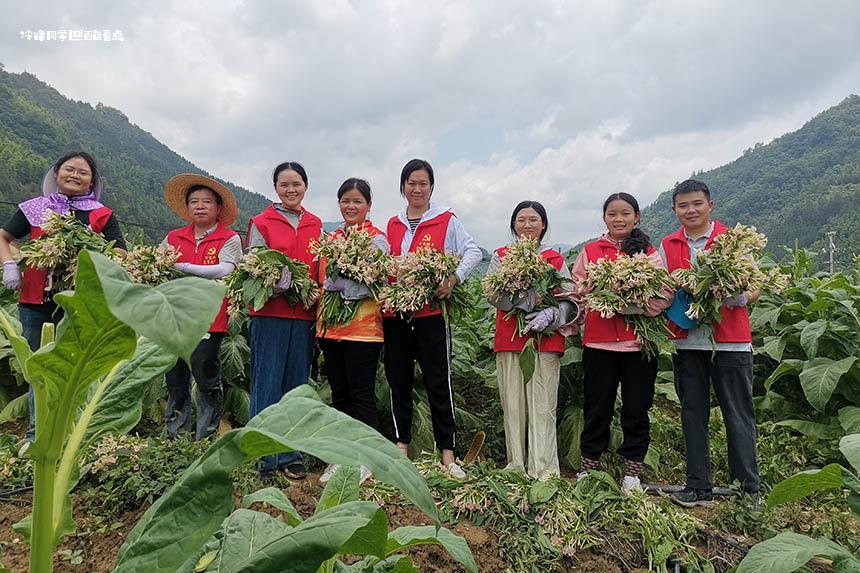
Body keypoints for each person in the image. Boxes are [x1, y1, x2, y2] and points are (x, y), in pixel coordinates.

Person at [0, 151, 127, 448]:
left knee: (72, 369)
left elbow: (120, 252)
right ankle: (36, 434)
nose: (74, 175)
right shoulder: (35, 208)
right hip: (34, 301)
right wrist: (9, 265)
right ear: (56, 174)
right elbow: (4, 237)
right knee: (38, 368)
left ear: (92, 182)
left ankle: (67, 435)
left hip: (78, 302)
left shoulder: (100, 214)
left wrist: (89, 249)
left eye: (83, 173)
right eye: (69, 169)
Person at [659, 179, 760, 507]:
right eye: (683, 205)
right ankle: (698, 486)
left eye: (696, 204)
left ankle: (748, 490)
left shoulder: (731, 241)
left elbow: (755, 284)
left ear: (710, 205)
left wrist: (736, 295)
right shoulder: (669, 244)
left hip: (730, 342)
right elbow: (661, 289)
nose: (690, 210)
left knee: (738, 414)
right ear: (675, 209)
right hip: (687, 342)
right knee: (692, 412)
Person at [384, 158, 482, 479]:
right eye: (411, 183)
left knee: (439, 381)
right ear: (402, 187)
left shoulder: (445, 220)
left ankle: (448, 454)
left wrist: (452, 278)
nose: (417, 188)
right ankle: (401, 448)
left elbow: (473, 252)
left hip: (430, 316)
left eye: (423, 183)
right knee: (398, 380)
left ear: (431, 187)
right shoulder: (393, 224)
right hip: (397, 314)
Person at [570, 192, 673, 493]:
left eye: (625, 213)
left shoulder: (649, 252)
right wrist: (598, 298)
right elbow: (579, 292)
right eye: (612, 213)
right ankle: (588, 467)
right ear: (604, 218)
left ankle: (632, 473)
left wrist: (639, 305)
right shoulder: (590, 251)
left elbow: (665, 292)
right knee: (596, 407)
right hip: (599, 344)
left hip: (638, 345)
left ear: (636, 217)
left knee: (637, 409)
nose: (619, 219)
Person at [487, 201, 577, 479]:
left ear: (544, 225)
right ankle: (515, 466)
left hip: (544, 340)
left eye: (533, 220)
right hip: (509, 338)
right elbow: (491, 294)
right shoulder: (501, 256)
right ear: (513, 225)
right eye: (521, 220)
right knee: (512, 405)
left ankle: (543, 469)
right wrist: (523, 299)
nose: (527, 225)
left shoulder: (554, 259)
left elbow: (569, 297)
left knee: (543, 405)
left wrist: (550, 311)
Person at [246, 162, 322, 478]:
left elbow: (320, 269)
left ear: (306, 186)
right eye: (284, 184)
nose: (290, 190)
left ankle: (290, 454)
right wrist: (287, 285)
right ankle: (263, 454)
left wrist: (315, 294)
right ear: (275, 188)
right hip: (270, 314)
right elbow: (253, 267)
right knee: (267, 382)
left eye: (296, 184)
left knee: (296, 385)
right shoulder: (261, 222)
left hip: (303, 316)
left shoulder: (316, 225)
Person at [317, 178, 389, 485]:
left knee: (361, 395)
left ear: (369, 206)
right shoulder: (331, 238)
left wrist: (348, 285)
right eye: (346, 201)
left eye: (357, 201)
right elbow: (322, 276)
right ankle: (340, 457)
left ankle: (365, 459)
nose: (351, 206)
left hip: (364, 329)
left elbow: (380, 280)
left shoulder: (378, 239)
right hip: (331, 328)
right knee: (339, 395)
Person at [161, 173, 242, 441]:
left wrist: (181, 266)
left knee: (206, 379)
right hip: (174, 319)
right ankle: (175, 437)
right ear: (187, 207)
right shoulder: (173, 237)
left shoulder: (229, 239)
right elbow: (157, 264)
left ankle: (204, 437)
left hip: (209, 320)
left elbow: (224, 269)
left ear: (218, 208)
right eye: (194, 201)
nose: (199, 206)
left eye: (206, 201)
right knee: (175, 378)